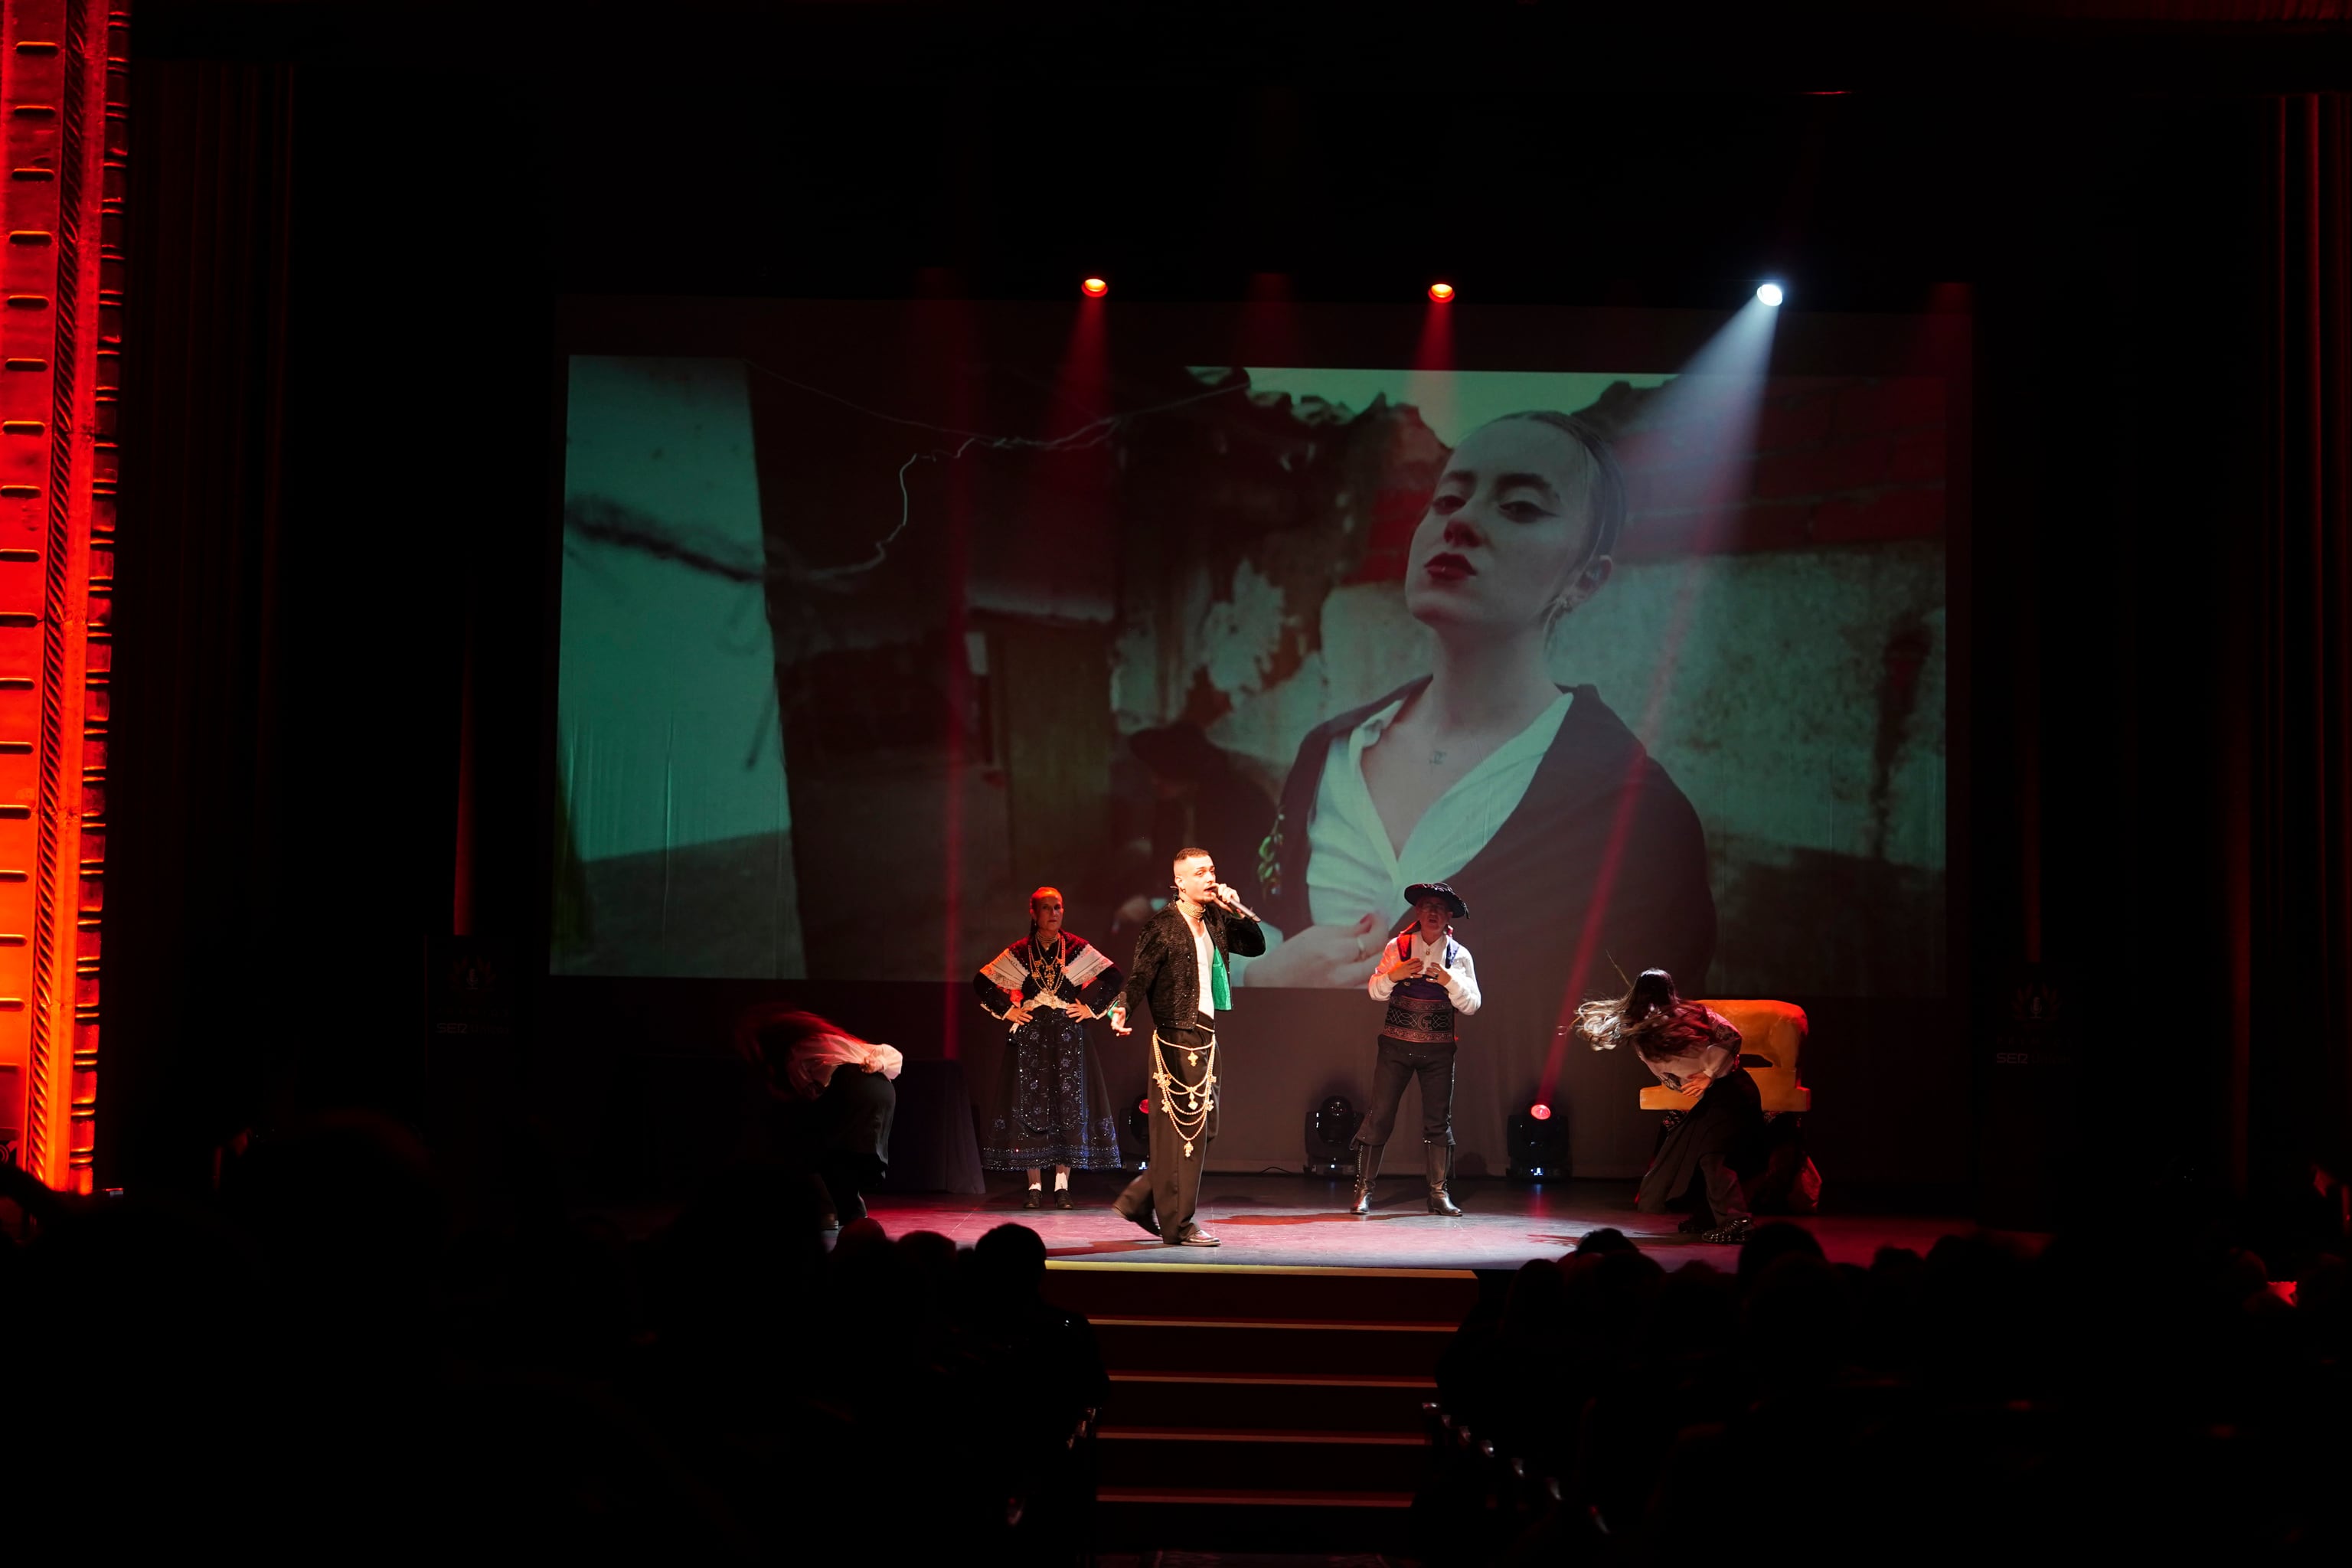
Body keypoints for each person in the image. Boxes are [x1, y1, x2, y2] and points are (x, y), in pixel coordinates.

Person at [1246, 410, 1713, 1004]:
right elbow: (1269, 925)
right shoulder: (1329, 751)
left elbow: (1654, 1051)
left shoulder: (1634, 814)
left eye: (1519, 506)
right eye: (1446, 501)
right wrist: (1260, 980)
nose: (1462, 521)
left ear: (1585, 580)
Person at [1106, 847, 1267, 1246]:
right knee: (1185, 1133)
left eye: (1212, 870)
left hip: (1207, 1035)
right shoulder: (1162, 925)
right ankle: (1179, 1224)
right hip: (1177, 1034)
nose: (1210, 878)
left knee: (1206, 1128)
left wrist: (1233, 908)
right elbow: (1140, 975)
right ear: (1180, 882)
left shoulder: (1214, 916)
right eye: (1200, 873)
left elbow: (1256, 945)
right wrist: (1122, 1008)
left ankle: (1139, 1199)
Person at [1575, 968, 1759, 1244]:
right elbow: (1668, 1077)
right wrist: (1692, 1078)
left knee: (1712, 1156)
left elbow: (1732, 1037)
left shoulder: (1696, 1015)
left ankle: (1737, 1222)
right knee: (1696, 1155)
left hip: (1734, 1091)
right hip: (1716, 1096)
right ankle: (1707, 1216)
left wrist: (1707, 1074)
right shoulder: (1644, 1034)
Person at [972, 886, 1127, 1206]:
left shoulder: (1075, 948)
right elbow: (982, 982)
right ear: (1034, 913)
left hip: (1069, 1039)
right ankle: (1033, 1187)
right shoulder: (1020, 951)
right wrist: (1008, 1011)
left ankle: (1061, 1185)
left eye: (1058, 907)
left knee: (1067, 1107)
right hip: (1031, 1039)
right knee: (1031, 1105)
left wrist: (1091, 1009)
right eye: (1046, 908)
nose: (1053, 913)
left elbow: (1114, 976)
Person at [1353, 880, 1482, 1217]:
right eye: (1427, 906)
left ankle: (1438, 1193)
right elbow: (1375, 991)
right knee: (1379, 1116)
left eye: (1440, 908)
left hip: (1438, 1053)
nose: (1433, 913)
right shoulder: (1398, 946)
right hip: (1395, 1048)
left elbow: (1472, 1005)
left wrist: (1449, 981)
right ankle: (1364, 1190)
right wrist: (1394, 975)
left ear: (1449, 915)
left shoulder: (1459, 955)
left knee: (1438, 1122)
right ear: (1417, 911)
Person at [732, 1006, 902, 1231]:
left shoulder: (795, 1051)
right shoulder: (837, 1040)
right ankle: (849, 1211)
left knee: (811, 1149)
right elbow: (891, 1055)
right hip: (883, 1090)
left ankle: (829, 1210)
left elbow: (808, 1092)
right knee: (843, 1151)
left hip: (851, 1088)